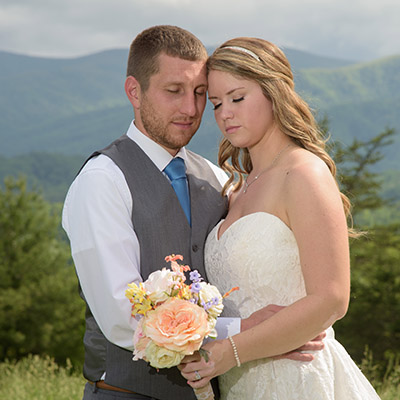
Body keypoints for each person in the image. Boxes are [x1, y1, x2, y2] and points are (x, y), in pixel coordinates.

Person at [62, 26, 323, 400]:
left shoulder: (216, 178)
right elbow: (122, 317)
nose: (190, 109)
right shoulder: (103, 181)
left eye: (201, 94)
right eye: (174, 91)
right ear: (134, 91)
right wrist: (246, 333)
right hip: (128, 393)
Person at [179, 38, 381, 399]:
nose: (225, 113)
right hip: (238, 384)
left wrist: (231, 352)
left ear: (274, 93)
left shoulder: (304, 173)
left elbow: (332, 298)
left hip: (297, 379)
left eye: (237, 98)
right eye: (216, 103)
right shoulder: (235, 188)